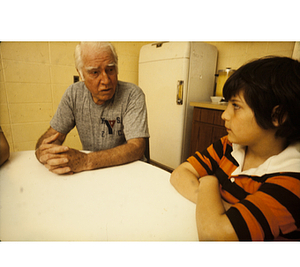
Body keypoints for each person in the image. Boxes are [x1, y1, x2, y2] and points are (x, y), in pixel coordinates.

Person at [170, 56, 300, 241]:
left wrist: (209, 181)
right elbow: (180, 174)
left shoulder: (292, 181)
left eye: (236, 106)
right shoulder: (229, 146)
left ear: (277, 115)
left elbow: (213, 235)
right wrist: (220, 209)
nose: (224, 115)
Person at [35, 42, 149, 175]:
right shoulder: (74, 94)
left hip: (129, 171)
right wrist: (44, 150)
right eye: (95, 72)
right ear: (81, 74)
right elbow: (53, 136)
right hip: (95, 172)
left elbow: (137, 147)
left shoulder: (132, 94)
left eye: (110, 69)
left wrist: (86, 161)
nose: (106, 80)